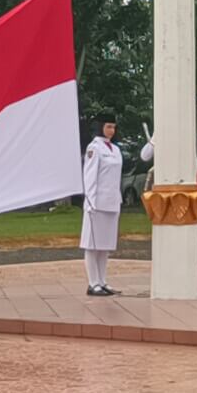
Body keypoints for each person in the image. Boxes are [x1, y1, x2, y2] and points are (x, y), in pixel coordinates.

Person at [79, 112, 123, 296]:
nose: (111, 130)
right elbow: (89, 176)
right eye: (108, 126)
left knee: (105, 245)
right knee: (92, 244)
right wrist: (90, 200)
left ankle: (103, 280)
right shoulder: (94, 148)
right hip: (97, 202)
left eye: (113, 127)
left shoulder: (116, 149)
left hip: (112, 201)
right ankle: (93, 282)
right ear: (100, 127)